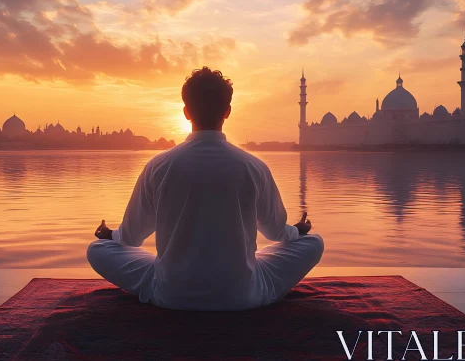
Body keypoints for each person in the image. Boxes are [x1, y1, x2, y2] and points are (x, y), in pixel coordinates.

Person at [87, 67, 324, 311]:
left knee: (98, 249)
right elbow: (277, 233)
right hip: (243, 295)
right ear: (228, 112)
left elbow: (130, 238)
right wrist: (297, 231)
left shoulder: (159, 166)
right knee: (314, 242)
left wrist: (110, 236)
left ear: (186, 112)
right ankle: (245, 275)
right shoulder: (254, 166)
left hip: (171, 295)